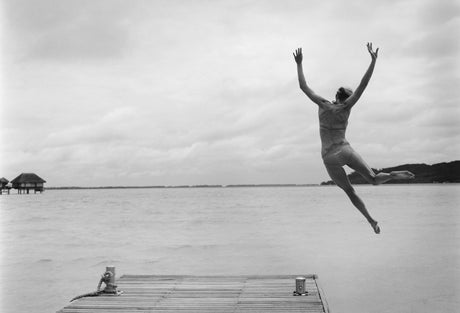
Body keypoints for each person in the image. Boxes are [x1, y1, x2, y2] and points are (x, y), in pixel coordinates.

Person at [293, 43, 414, 234]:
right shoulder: (346, 107)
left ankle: (371, 221)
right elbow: (363, 85)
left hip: (329, 156)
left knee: (350, 192)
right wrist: (373, 61)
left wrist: (299, 63)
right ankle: (391, 175)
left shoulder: (322, 104)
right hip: (345, 150)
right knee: (373, 179)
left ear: (336, 95)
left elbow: (303, 86)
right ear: (347, 98)